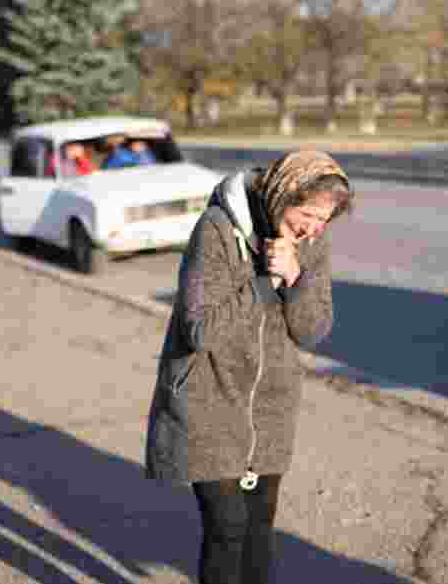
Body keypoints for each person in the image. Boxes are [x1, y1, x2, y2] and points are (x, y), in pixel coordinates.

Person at [145, 150, 353, 584]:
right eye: (309, 214)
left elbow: (313, 331)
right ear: (282, 194)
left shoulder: (311, 243)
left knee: (259, 529)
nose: (314, 227)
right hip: (210, 401)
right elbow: (199, 328)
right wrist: (264, 282)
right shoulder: (218, 229)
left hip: (271, 408)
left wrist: (297, 279)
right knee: (228, 527)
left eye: (325, 219)